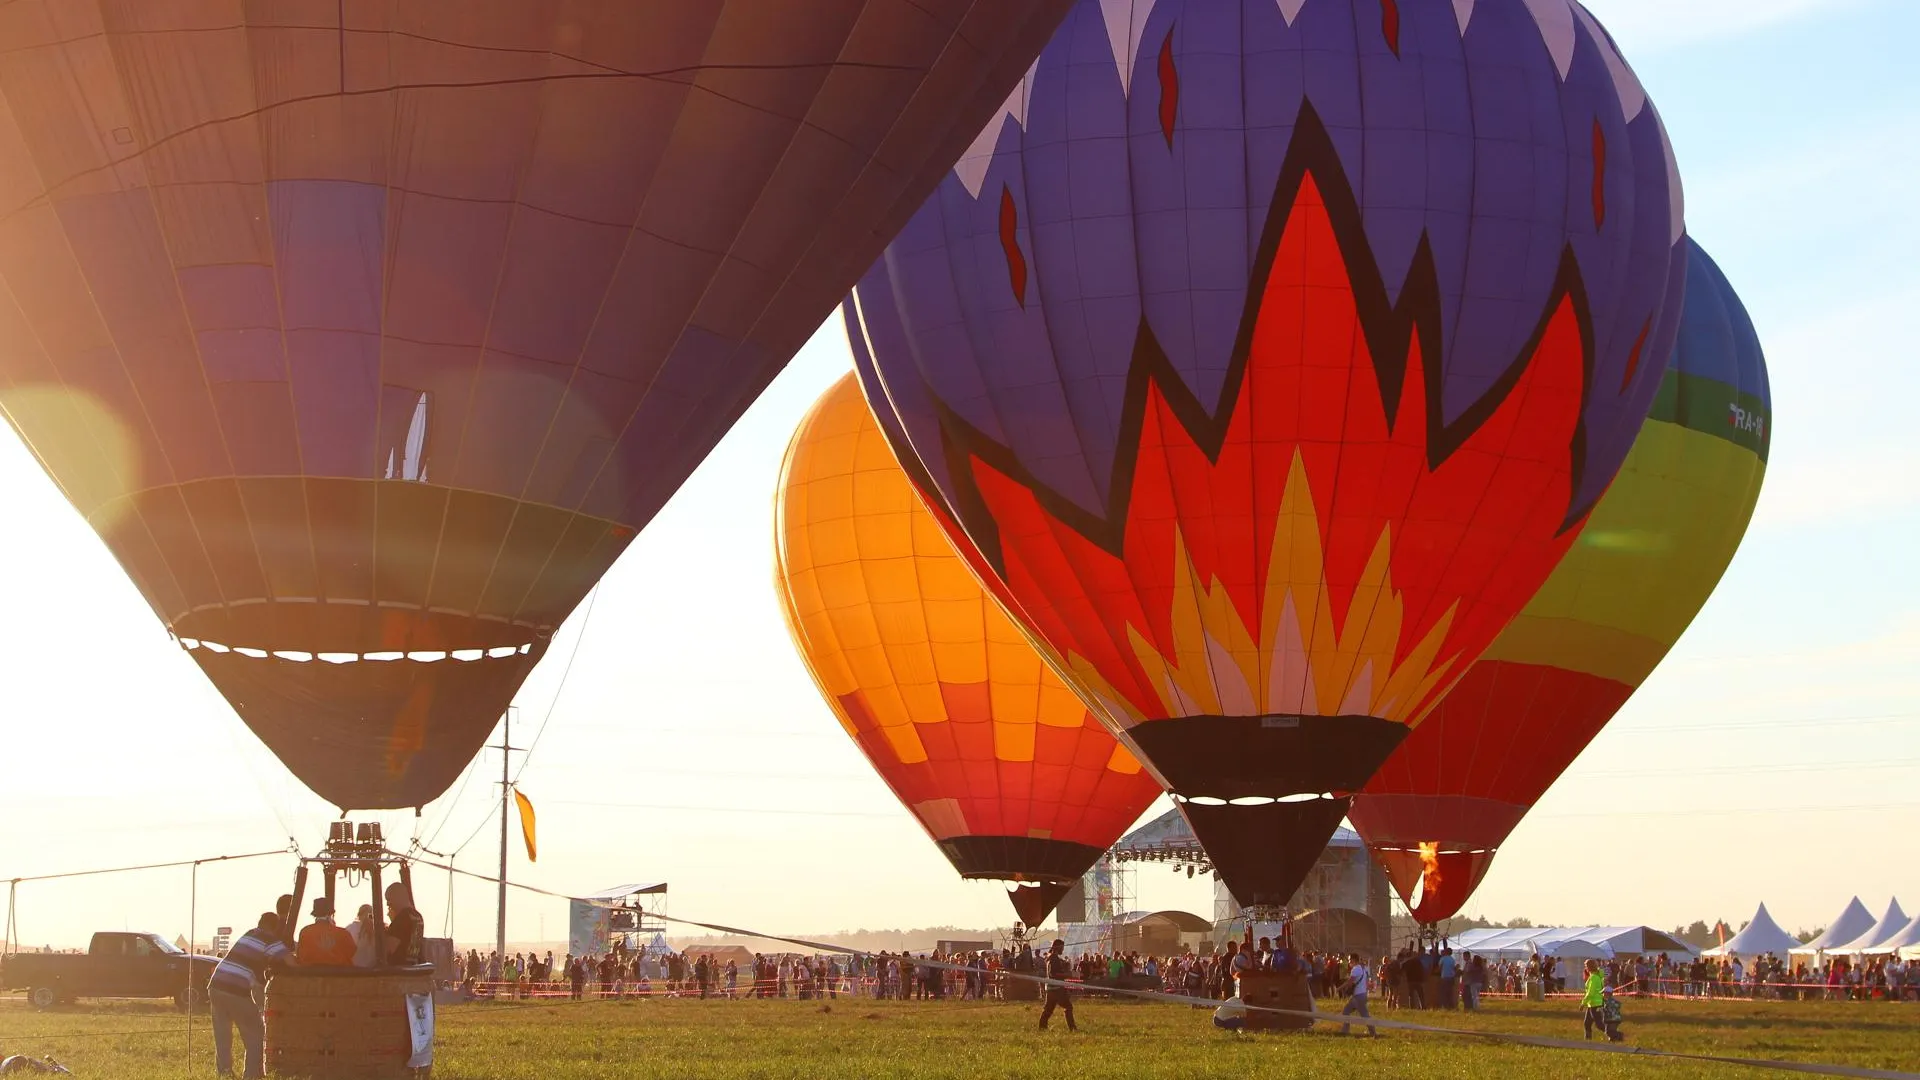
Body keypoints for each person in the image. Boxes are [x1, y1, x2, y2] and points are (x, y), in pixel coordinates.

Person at [208, 912, 291, 1079]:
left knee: (222, 1033)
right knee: (255, 1032)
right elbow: (291, 962)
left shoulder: (249, 933)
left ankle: (224, 1073)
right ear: (275, 927)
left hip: (216, 985)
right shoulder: (271, 940)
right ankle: (252, 1075)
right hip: (236, 989)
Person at [295, 897, 356, 966]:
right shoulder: (343, 933)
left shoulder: (305, 931)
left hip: (311, 973)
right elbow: (352, 951)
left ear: (315, 915)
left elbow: (300, 954)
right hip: (339, 973)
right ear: (330, 915)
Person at [1037, 939, 1076, 1032]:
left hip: (1051, 988)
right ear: (1057, 947)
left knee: (1048, 1010)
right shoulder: (1053, 958)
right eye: (1062, 947)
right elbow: (1053, 974)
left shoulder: (1052, 957)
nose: (1063, 949)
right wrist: (1067, 975)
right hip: (1057, 989)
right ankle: (1072, 1028)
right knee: (1068, 1007)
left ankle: (1042, 1027)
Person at [383, 883, 423, 966]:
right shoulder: (417, 916)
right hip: (413, 966)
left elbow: (389, 948)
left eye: (389, 900)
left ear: (398, 897)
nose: (388, 904)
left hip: (399, 970)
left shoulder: (402, 918)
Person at [1339, 954, 1377, 1037]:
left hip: (1358, 996)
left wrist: (1340, 988)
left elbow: (1349, 982)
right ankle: (1345, 1031)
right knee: (1346, 1011)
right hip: (1361, 994)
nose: (1349, 962)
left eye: (1349, 960)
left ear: (1353, 960)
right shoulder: (1362, 969)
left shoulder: (1355, 969)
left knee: (1364, 1015)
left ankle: (1373, 1033)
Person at [1581, 959, 1608, 1039]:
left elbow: (1590, 993)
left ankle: (1614, 1035)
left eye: (1586, 966)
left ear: (1589, 967)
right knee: (1587, 1023)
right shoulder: (1595, 976)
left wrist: (1583, 1003)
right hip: (1591, 1004)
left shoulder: (1594, 977)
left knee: (1599, 1025)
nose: (1585, 968)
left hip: (1596, 1004)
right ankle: (1588, 1041)